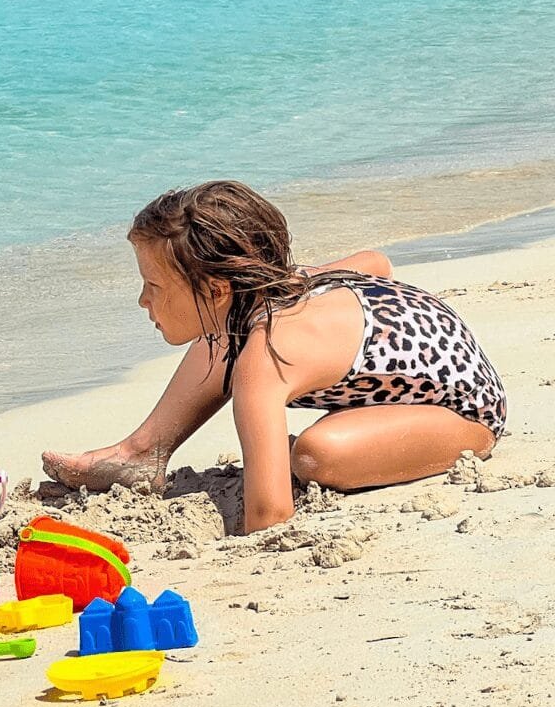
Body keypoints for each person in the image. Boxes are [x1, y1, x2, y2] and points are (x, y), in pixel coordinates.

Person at [41, 181, 506, 534]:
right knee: (219, 330)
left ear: (219, 286)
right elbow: (375, 262)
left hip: (463, 410)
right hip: (429, 347)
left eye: (154, 287)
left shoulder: (264, 356)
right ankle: (142, 452)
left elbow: (270, 514)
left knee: (317, 456)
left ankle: (468, 438)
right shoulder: (280, 282)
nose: (143, 301)